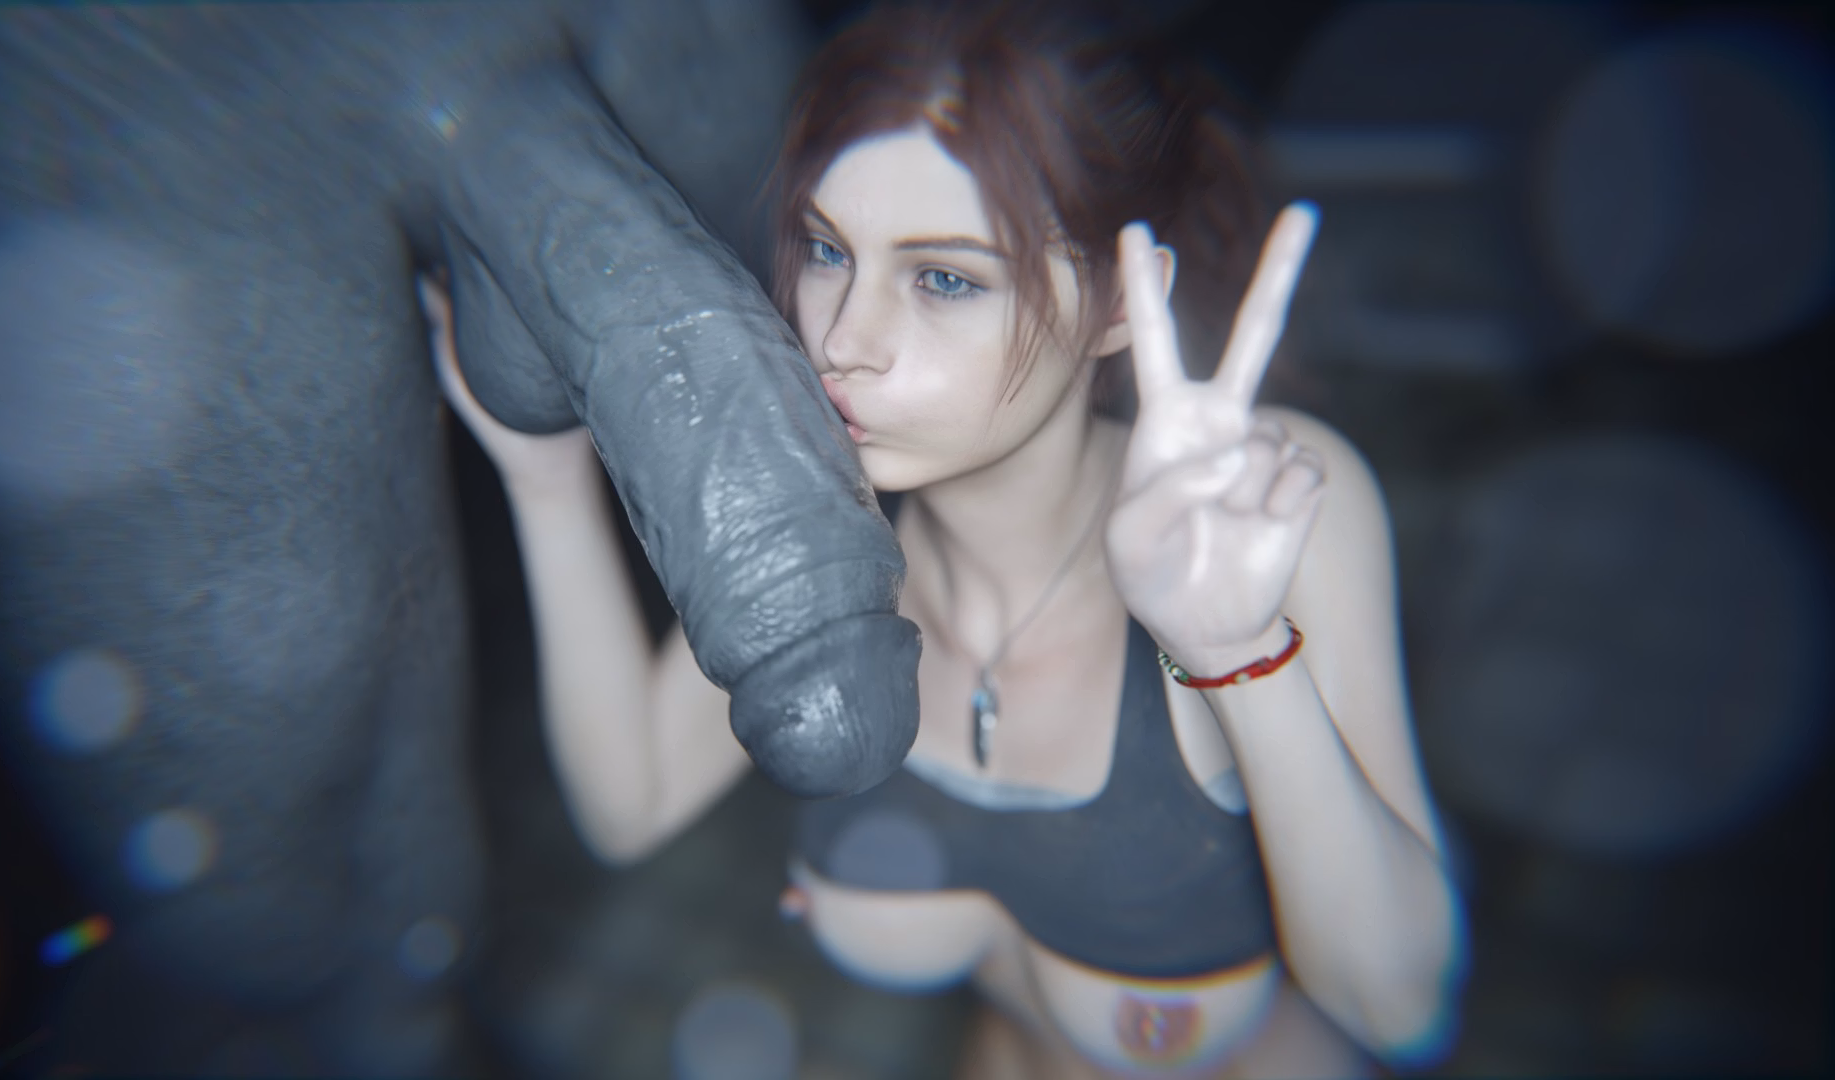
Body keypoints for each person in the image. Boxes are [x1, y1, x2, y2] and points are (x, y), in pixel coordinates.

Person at [421, 4, 1465, 1075]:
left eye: (945, 278)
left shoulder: (1257, 504)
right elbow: (631, 802)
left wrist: (1235, 651)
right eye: (828, 250)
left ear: (1117, 303)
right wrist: (546, 478)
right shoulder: (829, 529)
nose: (844, 339)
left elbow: (1399, 1011)